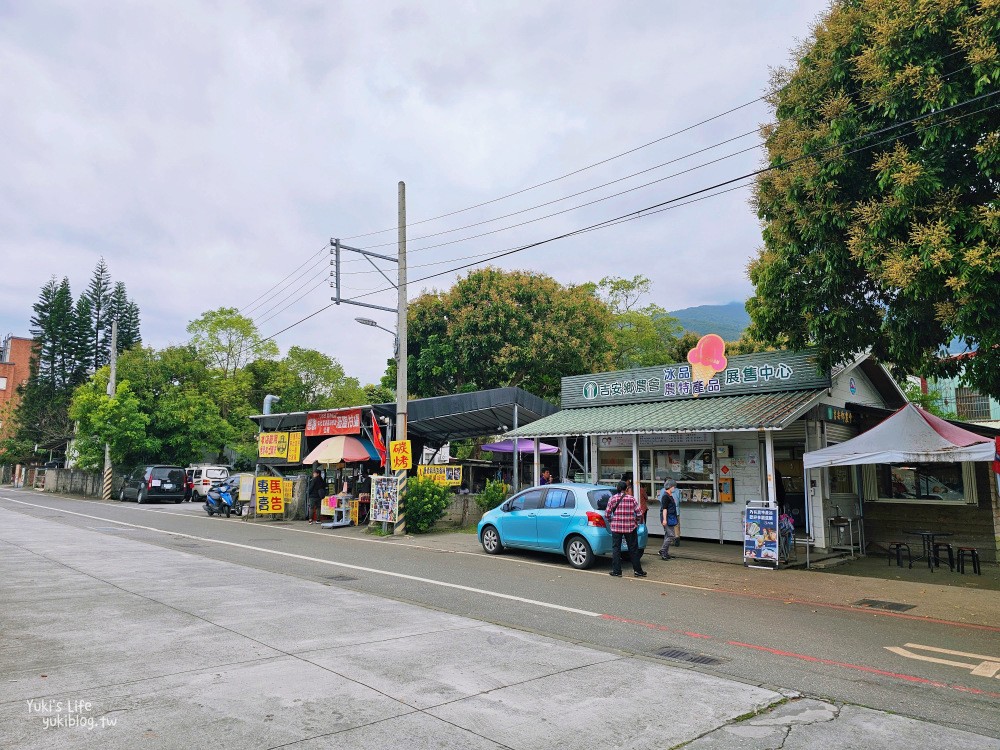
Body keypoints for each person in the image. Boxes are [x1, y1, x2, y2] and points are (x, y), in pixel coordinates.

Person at [605, 480, 646, 578]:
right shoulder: (631, 499)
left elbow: (607, 514)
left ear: (617, 488)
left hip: (616, 527)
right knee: (633, 549)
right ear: (626, 489)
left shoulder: (612, 499)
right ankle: (638, 571)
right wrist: (635, 521)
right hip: (630, 527)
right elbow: (639, 514)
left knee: (616, 549)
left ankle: (617, 571)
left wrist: (612, 522)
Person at [658, 479, 680, 560]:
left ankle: (665, 553)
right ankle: (662, 551)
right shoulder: (665, 496)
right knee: (671, 535)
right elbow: (664, 509)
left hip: (670, 517)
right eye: (673, 486)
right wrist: (664, 520)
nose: (674, 488)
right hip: (667, 518)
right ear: (670, 487)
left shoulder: (669, 495)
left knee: (667, 535)